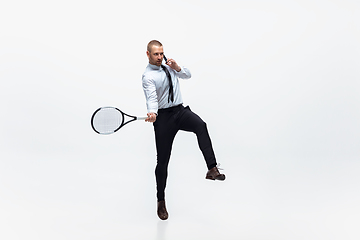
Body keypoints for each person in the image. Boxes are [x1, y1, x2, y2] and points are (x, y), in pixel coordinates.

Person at [142, 40, 225, 220]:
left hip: (180, 111)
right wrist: (152, 113)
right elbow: (151, 98)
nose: (159, 57)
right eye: (155, 54)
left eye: (161, 53)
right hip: (163, 118)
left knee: (201, 126)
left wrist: (177, 67)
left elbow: (187, 75)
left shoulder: (169, 66)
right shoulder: (148, 76)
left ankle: (212, 169)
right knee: (162, 162)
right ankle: (161, 201)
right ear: (148, 54)